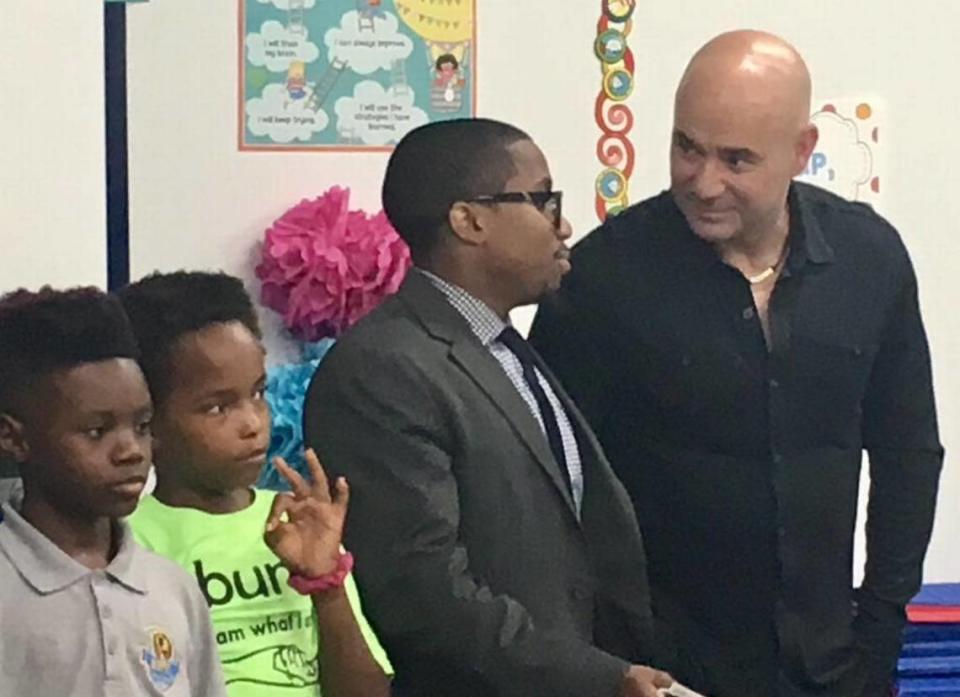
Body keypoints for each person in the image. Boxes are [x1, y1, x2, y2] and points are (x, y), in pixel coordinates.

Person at [530, 30, 944, 696]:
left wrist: (881, 630)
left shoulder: (871, 260)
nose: (704, 181)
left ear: (802, 151)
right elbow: (545, 486)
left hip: (834, 665)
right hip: (659, 671)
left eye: (737, 159)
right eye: (686, 147)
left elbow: (908, 453)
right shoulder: (603, 277)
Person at [302, 118, 673, 697]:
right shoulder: (383, 370)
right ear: (469, 219)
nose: (564, 225)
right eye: (543, 200)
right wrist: (600, 677)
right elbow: (422, 594)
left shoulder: (503, 349)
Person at [118, 271, 392, 697]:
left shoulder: (300, 520)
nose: (252, 424)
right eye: (217, 407)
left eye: (258, 394)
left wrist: (326, 585)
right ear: (148, 422)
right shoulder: (128, 542)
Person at [0, 287, 227, 697]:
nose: (131, 452)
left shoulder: (173, 589)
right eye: (96, 432)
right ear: (13, 438)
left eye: (142, 426)